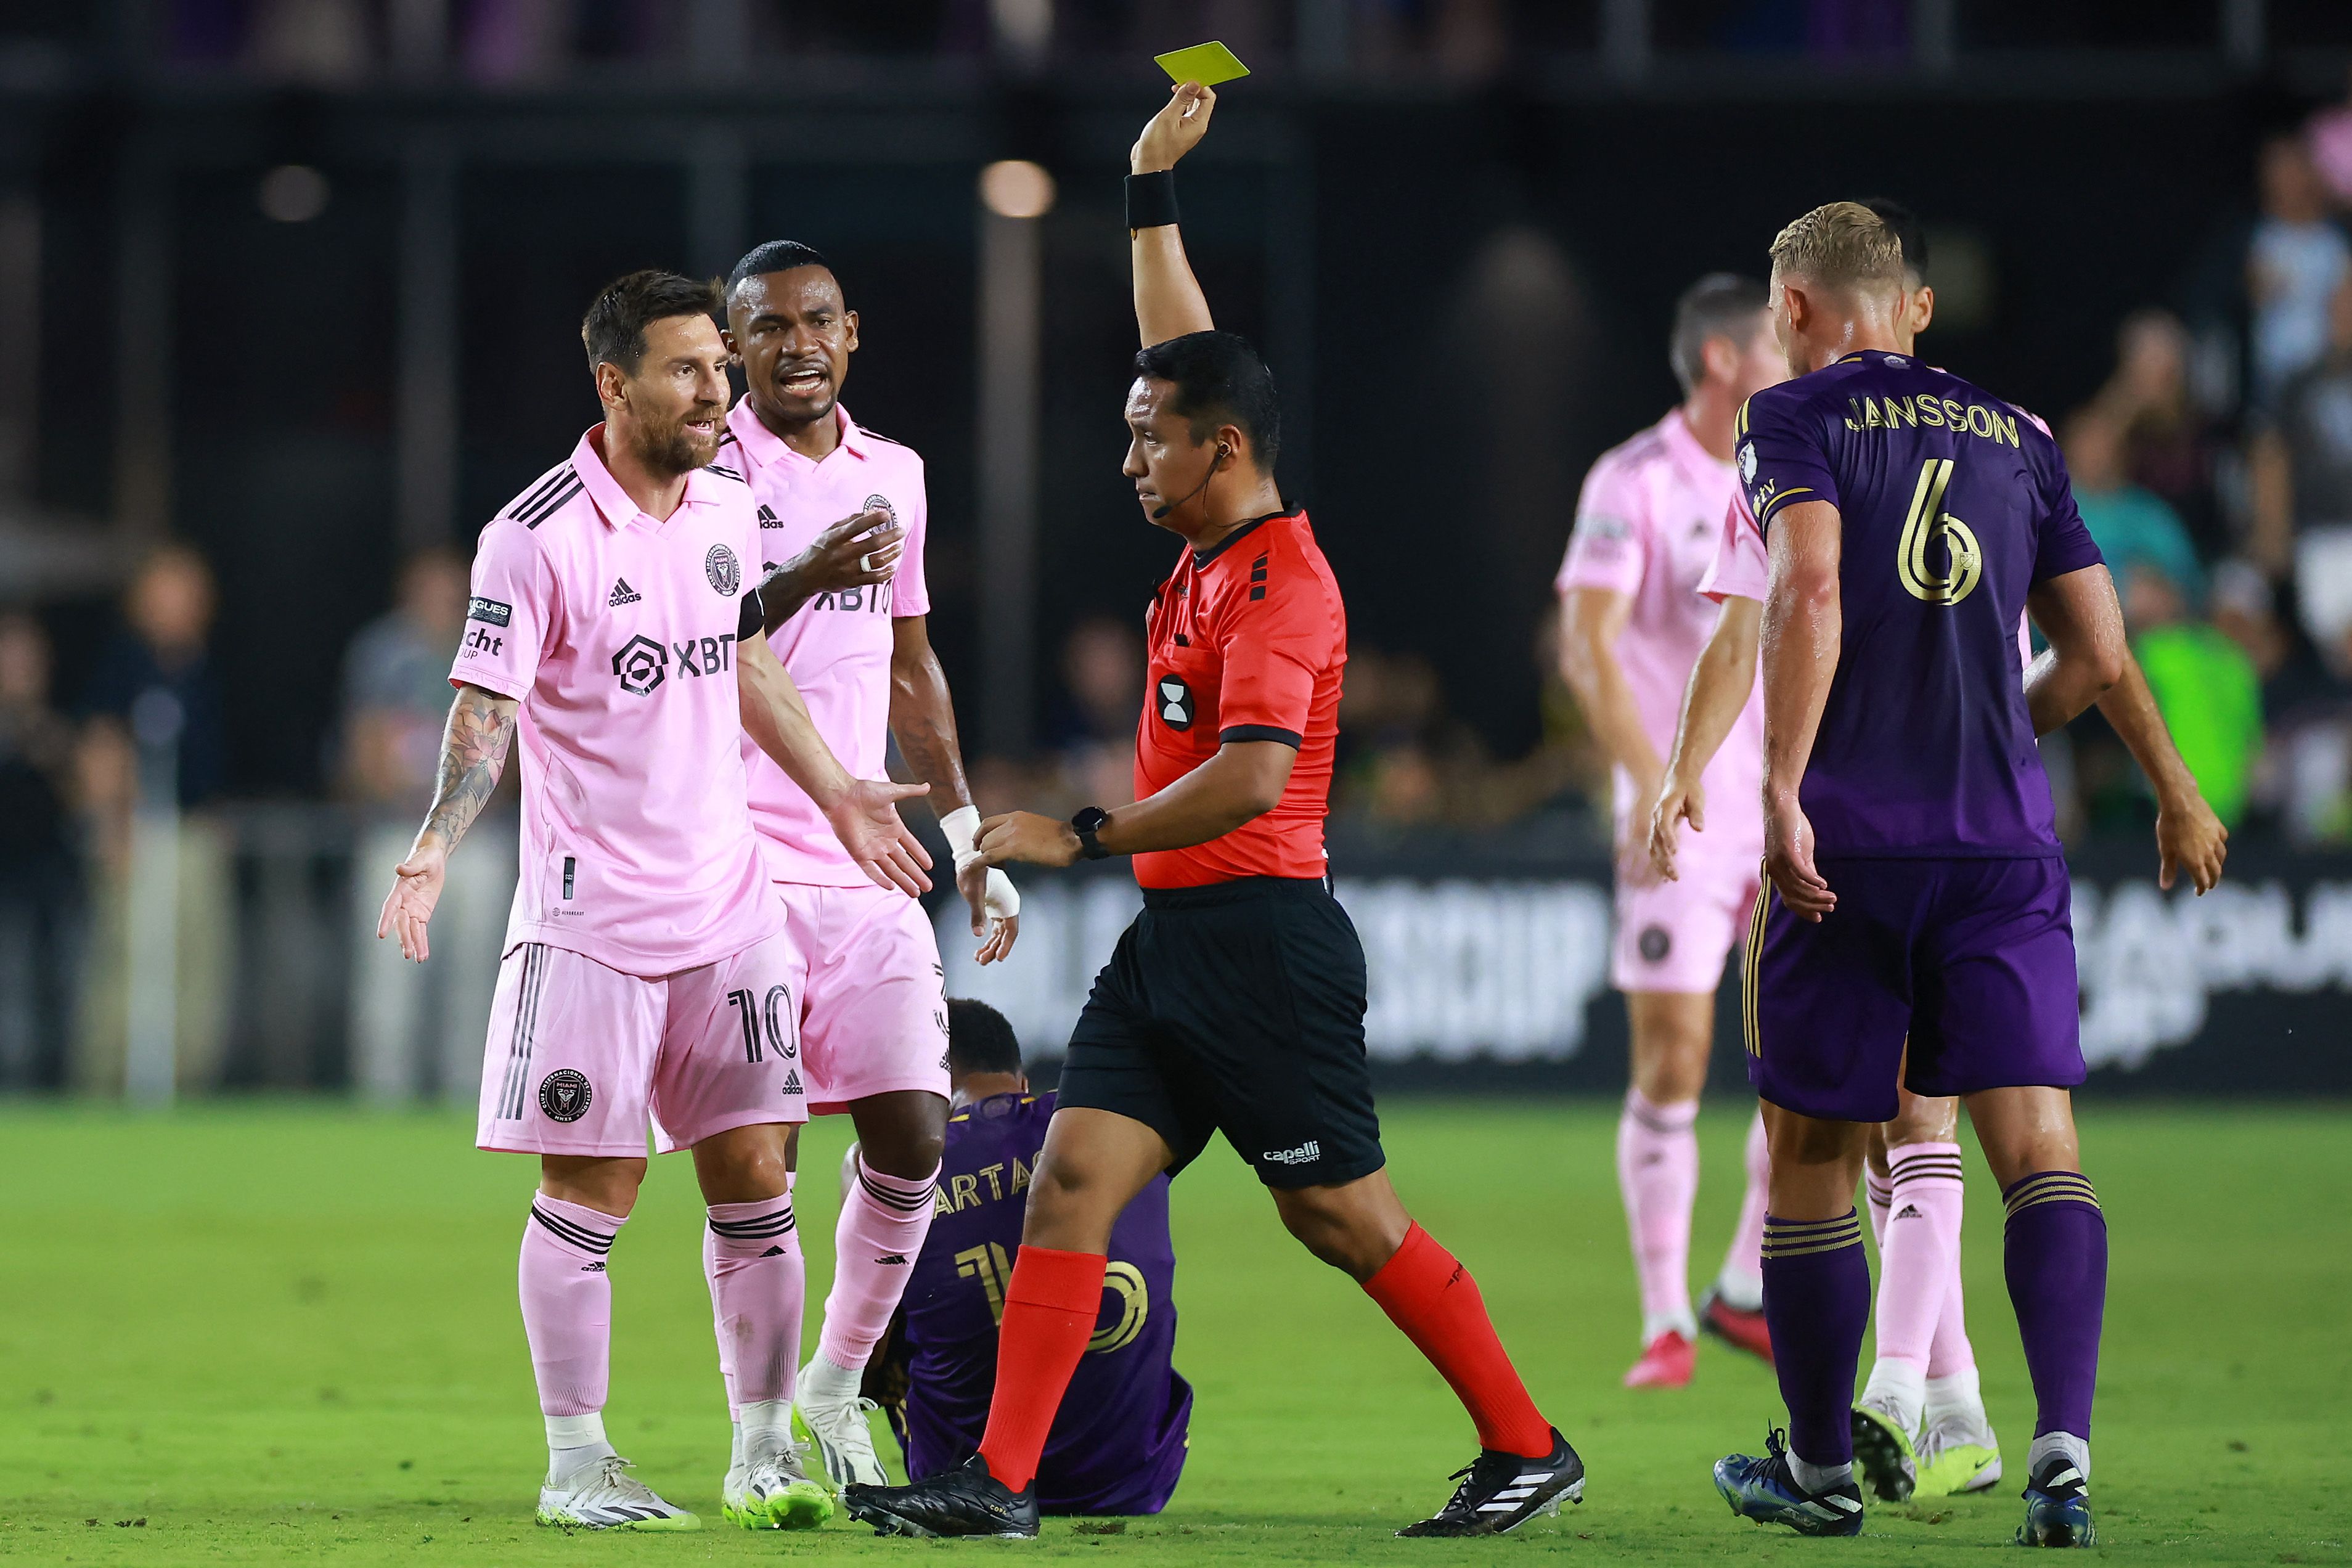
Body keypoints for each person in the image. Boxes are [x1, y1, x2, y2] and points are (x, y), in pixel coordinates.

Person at [839, 81, 1582, 1541]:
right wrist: (1146, 191)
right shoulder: (1206, 535)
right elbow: (1176, 354)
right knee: (1069, 1178)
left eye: (1146, 440)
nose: (1129, 457)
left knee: (1340, 1218)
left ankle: (1527, 1439)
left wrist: (1081, 830)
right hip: (1174, 947)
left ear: (1222, 452)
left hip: (1265, 947)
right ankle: (995, 1483)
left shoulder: (1284, 586)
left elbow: (1249, 780)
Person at [1652, 206, 2226, 1510]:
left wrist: (1782, 786)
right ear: (1910, 305)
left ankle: (1815, 1466)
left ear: (1792, 313)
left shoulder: (1790, 423)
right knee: (2038, 1150)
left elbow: (1804, 591)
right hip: (2003, 848)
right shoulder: (2023, 437)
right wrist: (2152, 780)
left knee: (1812, 1156)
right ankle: (2059, 1460)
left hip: (1853, 845)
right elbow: (2095, 652)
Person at [373, 269, 935, 1533]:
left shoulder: (729, 504)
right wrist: (430, 850)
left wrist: (840, 791)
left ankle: (761, 1453)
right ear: (613, 384)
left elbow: (740, 658)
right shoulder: (538, 533)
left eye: (717, 371)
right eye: (691, 369)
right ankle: (577, 1464)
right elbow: (486, 708)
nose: (717, 391)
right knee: (593, 1193)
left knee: (756, 1184)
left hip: (729, 915)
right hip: (592, 928)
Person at [711, 240, 1020, 1504]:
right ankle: (759, 1436)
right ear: (729, 350)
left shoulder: (898, 473)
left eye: (818, 320)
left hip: (868, 850)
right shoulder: (709, 471)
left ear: (854, 334)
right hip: (731, 860)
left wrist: (966, 834)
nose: (797, 342)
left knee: (914, 1136)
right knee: (760, 1158)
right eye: (769, 326)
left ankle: (839, 1387)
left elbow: (912, 663)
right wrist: (805, 573)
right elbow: (693, 635)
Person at [1554, 272, 1785, 1388]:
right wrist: (1650, 781)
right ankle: (1663, 1318)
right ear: (1721, 364)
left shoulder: (1794, 472)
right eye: (1772, 350)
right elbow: (1585, 643)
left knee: (1802, 1059)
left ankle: (1741, 1286)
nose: (1792, 365)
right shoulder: (1632, 479)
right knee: (1676, 1055)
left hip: (1788, 805)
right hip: (1678, 813)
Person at [860, 998, 1190, 1514]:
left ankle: (991, 1466)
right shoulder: (1112, 1126)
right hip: (1131, 1479)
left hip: (956, 1469)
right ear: (1020, 1080)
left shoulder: (893, 1161)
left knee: (882, 1311)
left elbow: (865, 1354)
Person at [339, 547, 473, 812]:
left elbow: (506, 747)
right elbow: (361, 745)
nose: (441, 604)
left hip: (472, 821)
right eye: (431, 593)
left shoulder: (487, 652)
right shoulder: (381, 653)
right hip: (391, 816)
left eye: (452, 597)